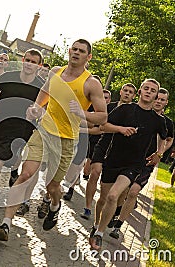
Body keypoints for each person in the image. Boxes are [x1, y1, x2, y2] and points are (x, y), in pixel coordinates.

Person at [0, 39, 107, 241]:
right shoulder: (56, 72)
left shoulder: (91, 83)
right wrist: (36, 107)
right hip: (43, 132)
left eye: (81, 51)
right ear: (69, 51)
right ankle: (6, 223)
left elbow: (103, 117)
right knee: (25, 174)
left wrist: (82, 113)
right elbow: (44, 93)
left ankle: (55, 205)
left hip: (66, 141)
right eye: (74, 49)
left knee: (53, 187)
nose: (76, 53)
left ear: (88, 57)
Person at [89, 78, 167, 251]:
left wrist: (158, 154)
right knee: (103, 198)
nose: (148, 92)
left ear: (155, 96)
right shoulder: (125, 110)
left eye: (152, 90)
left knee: (113, 196)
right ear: (140, 91)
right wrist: (120, 129)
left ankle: (100, 234)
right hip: (113, 160)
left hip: (134, 165)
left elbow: (164, 137)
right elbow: (104, 126)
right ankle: (96, 225)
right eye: (146, 88)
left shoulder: (157, 120)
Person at [0, 48, 44, 216]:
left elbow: (45, 107)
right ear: (22, 60)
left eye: (33, 62)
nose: (29, 64)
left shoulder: (41, 86)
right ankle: (8, 171)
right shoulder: (8, 76)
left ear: (39, 66)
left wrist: (36, 111)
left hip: (20, 131)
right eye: (27, 60)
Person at [109, 88, 174, 239]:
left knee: (133, 192)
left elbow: (167, 139)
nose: (158, 101)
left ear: (166, 103)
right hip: (130, 157)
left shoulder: (166, 122)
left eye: (162, 100)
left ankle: (118, 226)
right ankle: (117, 210)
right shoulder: (139, 113)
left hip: (147, 162)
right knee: (123, 190)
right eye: (157, 98)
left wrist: (159, 153)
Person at [80, 83, 137, 219]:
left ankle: (111, 210)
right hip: (103, 144)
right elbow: (97, 126)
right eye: (125, 90)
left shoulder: (134, 113)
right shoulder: (108, 108)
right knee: (95, 173)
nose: (127, 93)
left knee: (110, 188)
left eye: (130, 92)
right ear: (121, 92)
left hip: (119, 150)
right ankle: (87, 207)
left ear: (134, 96)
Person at [63, 88, 111, 201]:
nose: (103, 100)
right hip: (77, 138)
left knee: (83, 166)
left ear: (109, 100)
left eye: (106, 98)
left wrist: (80, 129)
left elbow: (99, 129)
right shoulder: (87, 106)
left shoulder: (105, 113)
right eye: (102, 97)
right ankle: (68, 186)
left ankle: (72, 185)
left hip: (93, 140)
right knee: (71, 163)